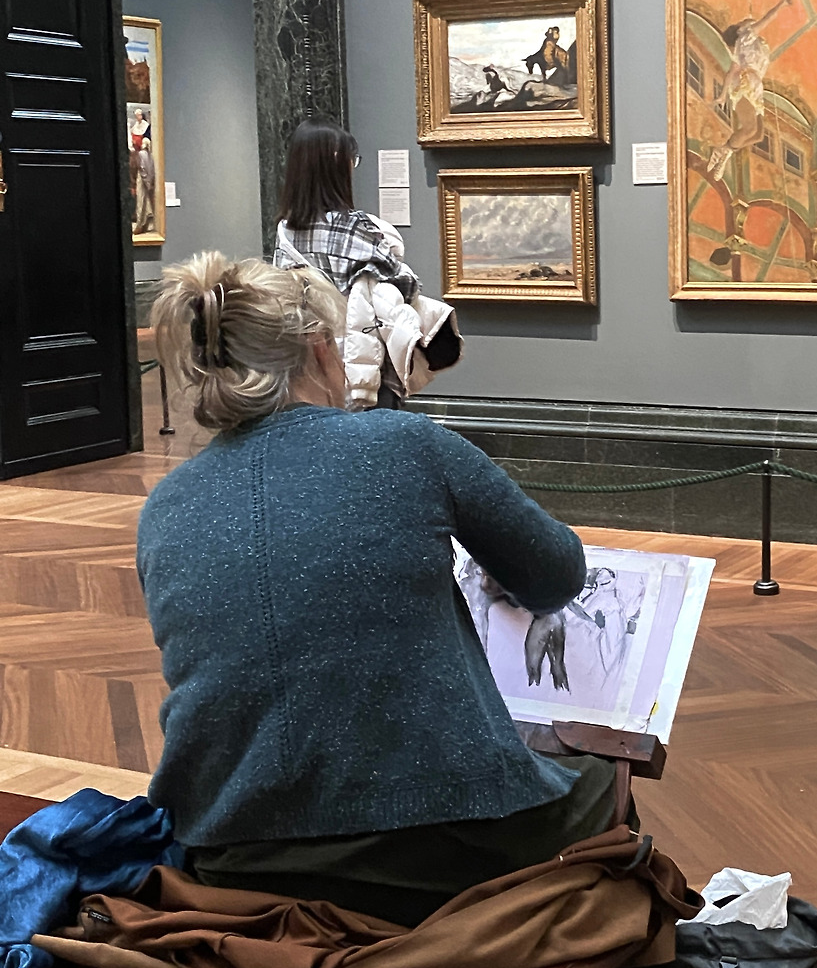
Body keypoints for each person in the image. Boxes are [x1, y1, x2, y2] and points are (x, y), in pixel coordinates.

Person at [142, 251, 620, 927]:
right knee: (607, 783)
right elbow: (557, 574)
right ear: (318, 347)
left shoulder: (164, 506)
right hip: (439, 841)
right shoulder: (405, 443)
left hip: (229, 852)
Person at [273, 119, 461, 407]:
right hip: (360, 361)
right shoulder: (355, 228)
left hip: (310, 365)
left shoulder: (285, 231)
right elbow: (406, 285)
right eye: (352, 159)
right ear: (337, 161)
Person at [704, 0, 791, 182]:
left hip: (755, 84)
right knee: (750, 128)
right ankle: (723, 150)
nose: (748, 20)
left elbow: (731, 70)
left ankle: (726, 152)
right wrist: (781, 4)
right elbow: (767, 18)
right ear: (739, 29)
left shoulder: (747, 44)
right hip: (746, 82)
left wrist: (722, 96)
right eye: (744, 21)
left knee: (758, 135)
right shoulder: (747, 34)